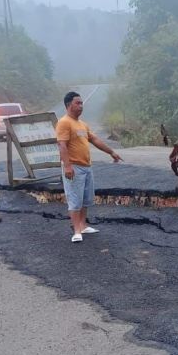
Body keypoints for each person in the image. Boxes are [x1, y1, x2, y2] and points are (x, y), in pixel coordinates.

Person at [56, 91, 123, 242]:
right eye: (77, 103)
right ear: (68, 105)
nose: (81, 106)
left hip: (86, 167)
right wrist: (67, 166)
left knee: (85, 199)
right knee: (74, 199)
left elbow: (95, 139)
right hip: (74, 166)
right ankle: (76, 231)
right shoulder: (64, 122)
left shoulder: (82, 124)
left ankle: (83, 225)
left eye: (81, 103)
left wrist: (111, 152)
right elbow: (62, 145)